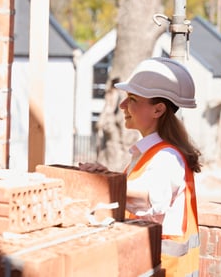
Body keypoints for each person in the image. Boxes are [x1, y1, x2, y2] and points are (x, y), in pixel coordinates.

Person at [79, 57, 201, 277]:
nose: (123, 105)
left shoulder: (167, 156)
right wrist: (107, 175)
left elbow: (151, 196)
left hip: (165, 269)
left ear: (158, 110)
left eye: (132, 99)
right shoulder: (151, 152)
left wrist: (101, 183)